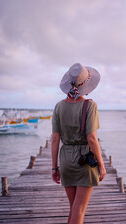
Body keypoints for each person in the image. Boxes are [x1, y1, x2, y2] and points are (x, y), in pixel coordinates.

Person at [51, 63, 106, 224]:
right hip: (84, 161)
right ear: (86, 86)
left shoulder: (59, 106)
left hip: (66, 159)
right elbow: (91, 138)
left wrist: (54, 167)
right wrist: (102, 164)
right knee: (80, 210)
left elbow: (55, 139)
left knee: (74, 209)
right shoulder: (90, 106)